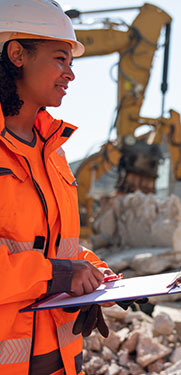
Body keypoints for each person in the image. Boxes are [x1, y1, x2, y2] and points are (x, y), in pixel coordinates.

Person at [0, 1, 117, 374]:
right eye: (60, 59)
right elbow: (49, 263)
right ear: (17, 53)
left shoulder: (53, 150)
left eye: (71, 63)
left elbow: (51, 244)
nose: (70, 74)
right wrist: (58, 273)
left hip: (62, 359)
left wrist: (96, 276)